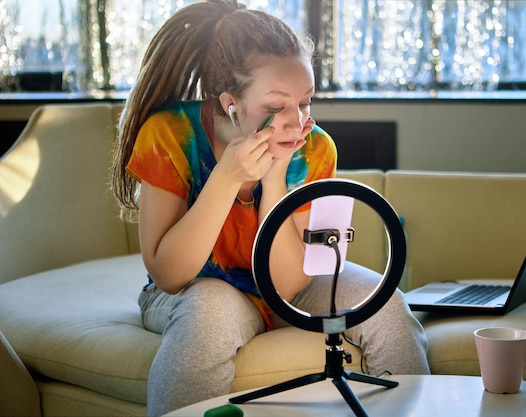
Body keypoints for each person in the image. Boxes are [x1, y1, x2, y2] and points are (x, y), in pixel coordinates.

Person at [111, 1, 430, 415]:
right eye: (276, 107)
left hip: (284, 283)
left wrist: (274, 177)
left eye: (305, 102)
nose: (297, 122)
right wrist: (226, 177)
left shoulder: (314, 149)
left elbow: (288, 287)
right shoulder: (169, 134)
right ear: (232, 104)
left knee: (387, 305)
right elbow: (169, 275)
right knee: (210, 313)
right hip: (199, 284)